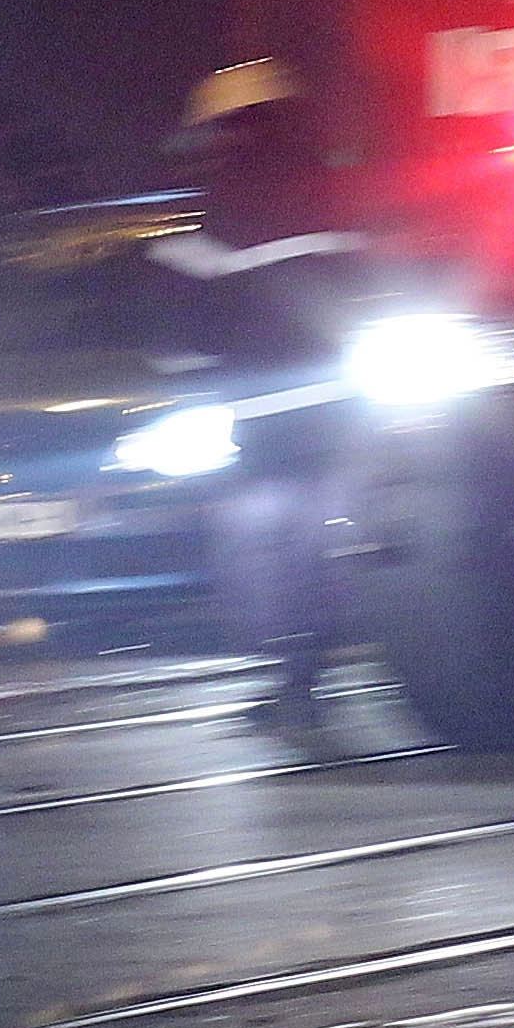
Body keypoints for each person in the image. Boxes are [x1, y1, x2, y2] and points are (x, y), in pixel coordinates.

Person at [150, 61, 370, 739]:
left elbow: (191, 298)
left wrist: (178, 365)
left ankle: (294, 682)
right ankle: (311, 675)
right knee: (326, 537)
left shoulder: (230, 193)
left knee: (263, 544)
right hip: (338, 400)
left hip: (263, 407)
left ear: (226, 128)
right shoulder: (335, 184)